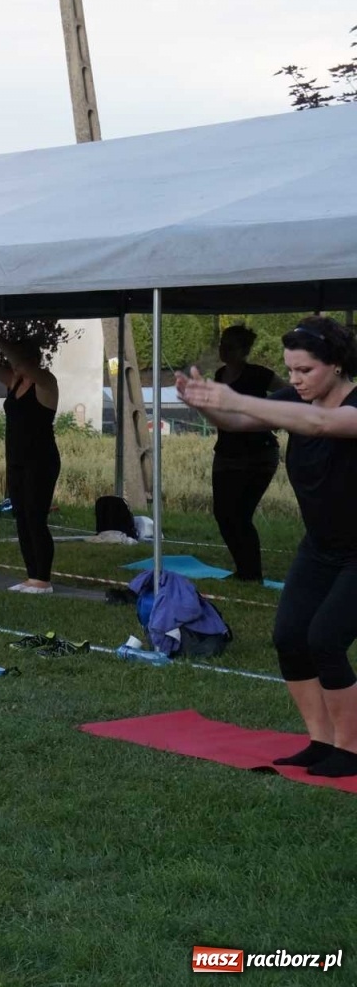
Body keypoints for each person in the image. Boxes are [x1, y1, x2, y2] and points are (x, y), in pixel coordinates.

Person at [178, 316, 357, 778]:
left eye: (305, 371)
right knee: (290, 637)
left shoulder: (349, 406)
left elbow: (320, 424)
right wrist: (206, 404)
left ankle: (350, 748)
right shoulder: (297, 399)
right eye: (290, 370)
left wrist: (238, 397)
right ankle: (320, 740)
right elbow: (239, 420)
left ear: (336, 365)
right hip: (321, 546)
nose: (295, 380)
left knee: (326, 639)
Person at [0, 308, 61, 594]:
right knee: (20, 515)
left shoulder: (46, 382)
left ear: (29, 359)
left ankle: (43, 579)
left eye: (17, 358)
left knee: (35, 516)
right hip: (17, 459)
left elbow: (13, 359)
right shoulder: (15, 381)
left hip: (41, 460)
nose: (12, 364)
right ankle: (32, 576)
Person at [209, 325, 282, 582]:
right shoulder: (219, 375)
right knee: (223, 513)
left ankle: (251, 573)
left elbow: (291, 395)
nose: (223, 350)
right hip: (226, 453)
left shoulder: (260, 375)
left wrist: (270, 415)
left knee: (240, 514)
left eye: (230, 346)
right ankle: (244, 569)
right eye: (222, 344)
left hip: (258, 455)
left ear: (245, 351)